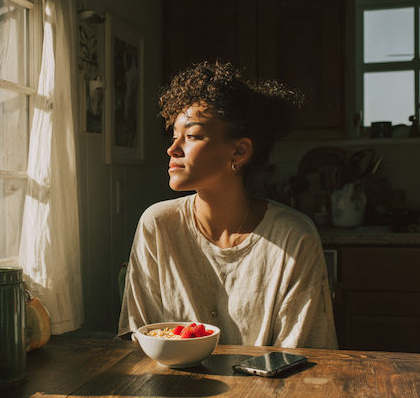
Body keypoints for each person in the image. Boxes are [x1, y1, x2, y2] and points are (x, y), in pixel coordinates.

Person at [117, 61, 338, 349]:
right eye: (174, 136)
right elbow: (138, 338)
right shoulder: (158, 225)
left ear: (240, 150)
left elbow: (303, 358)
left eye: (192, 136)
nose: (172, 149)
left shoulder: (293, 238)